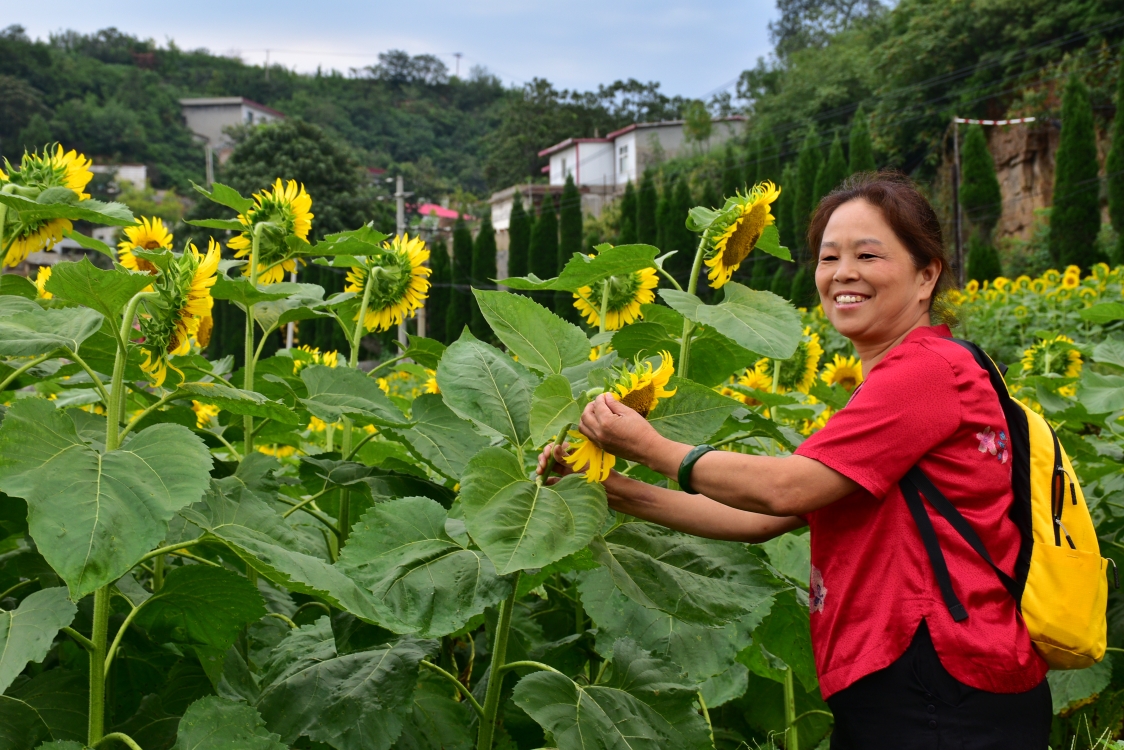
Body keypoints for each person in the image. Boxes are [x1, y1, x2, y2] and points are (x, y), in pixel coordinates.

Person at [537, 172, 1051, 749]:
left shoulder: (925, 372)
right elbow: (761, 521)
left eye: (868, 254)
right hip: (916, 682)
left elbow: (785, 490)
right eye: (829, 256)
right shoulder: (902, 379)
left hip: (941, 685)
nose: (842, 273)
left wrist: (651, 447)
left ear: (926, 274)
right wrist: (608, 488)